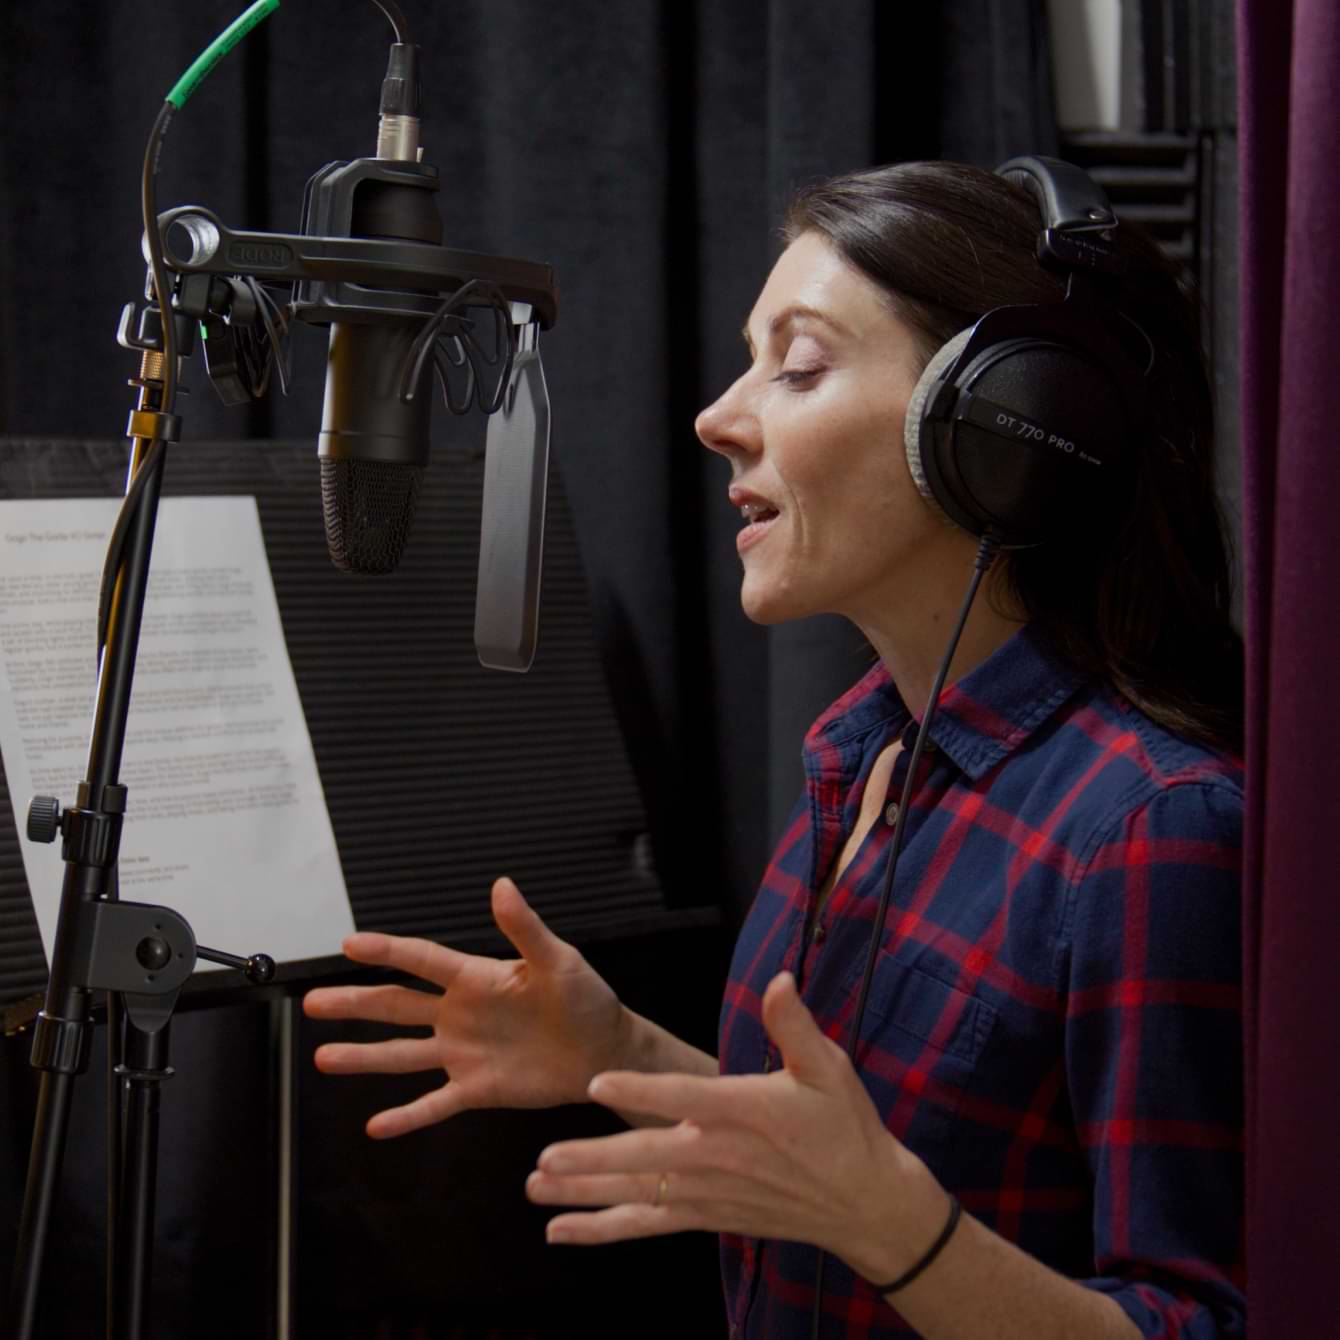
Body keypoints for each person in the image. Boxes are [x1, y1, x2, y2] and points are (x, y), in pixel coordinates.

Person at [303, 160, 1245, 1339]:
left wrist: (900, 1233)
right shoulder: (864, 757)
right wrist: (623, 1049)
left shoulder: (1151, 827)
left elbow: (1201, 1316)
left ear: (1006, 423)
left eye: (796, 365)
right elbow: (842, 1163)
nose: (718, 417)